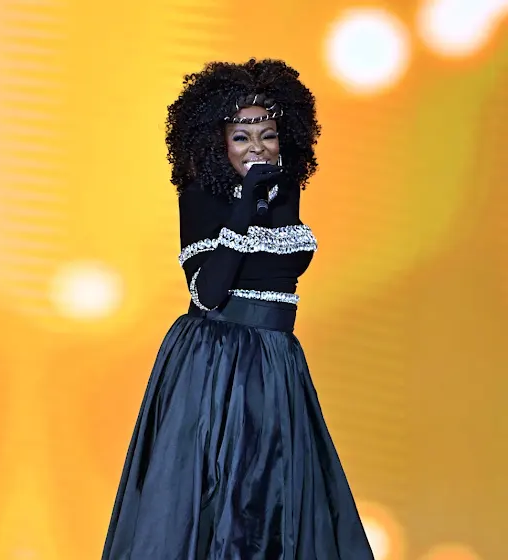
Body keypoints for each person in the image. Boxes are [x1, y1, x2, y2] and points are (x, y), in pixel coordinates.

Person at [102, 58, 374, 560]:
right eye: (242, 137)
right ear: (217, 142)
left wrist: (265, 196)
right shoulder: (200, 197)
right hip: (216, 364)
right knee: (217, 501)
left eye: (268, 136)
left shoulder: (285, 192)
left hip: (276, 362)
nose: (257, 148)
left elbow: (282, 275)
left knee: (272, 503)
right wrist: (245, 202)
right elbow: (208, 294)